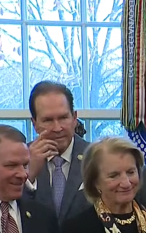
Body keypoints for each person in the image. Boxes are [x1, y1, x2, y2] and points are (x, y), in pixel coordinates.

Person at [23, 81, 93, 222]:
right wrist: (28, 176)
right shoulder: (20, 160)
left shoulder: (96, 157)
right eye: (48, 120)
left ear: (74, 118)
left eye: (63, 118)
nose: (57, 128)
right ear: (34, 123)